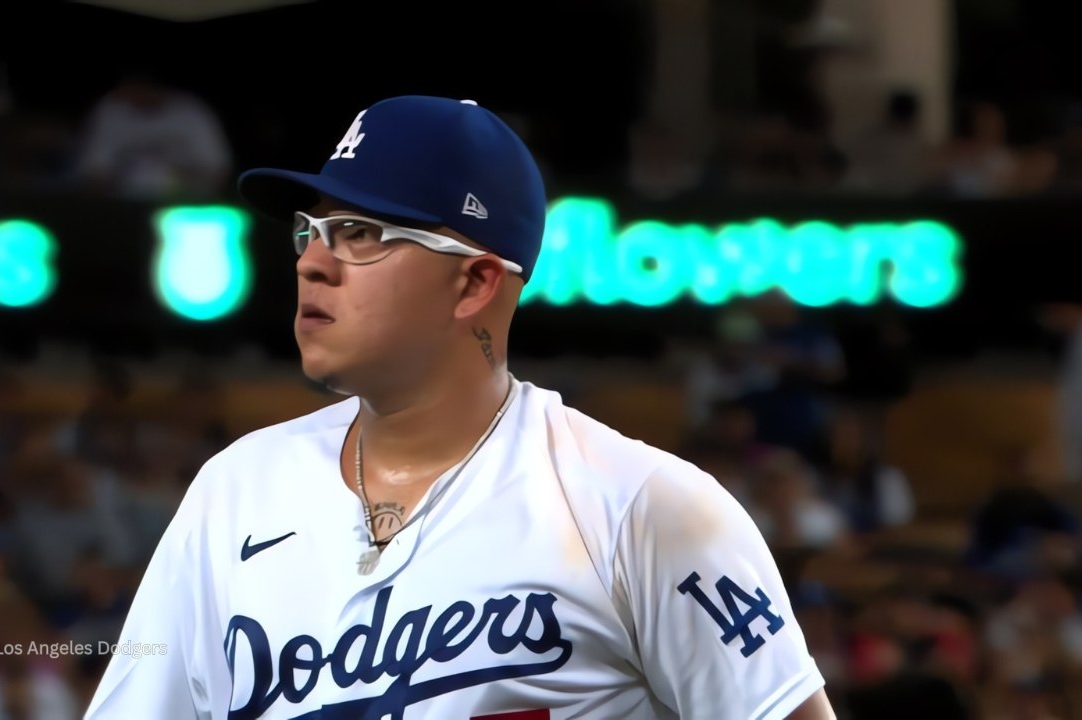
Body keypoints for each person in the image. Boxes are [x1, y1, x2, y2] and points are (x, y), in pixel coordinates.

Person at [85, 95, 835, 719]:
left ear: (475, 284)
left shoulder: (639, 507)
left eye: (359, 233)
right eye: (310, 231)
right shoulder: (237, 487)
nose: (313, 261)